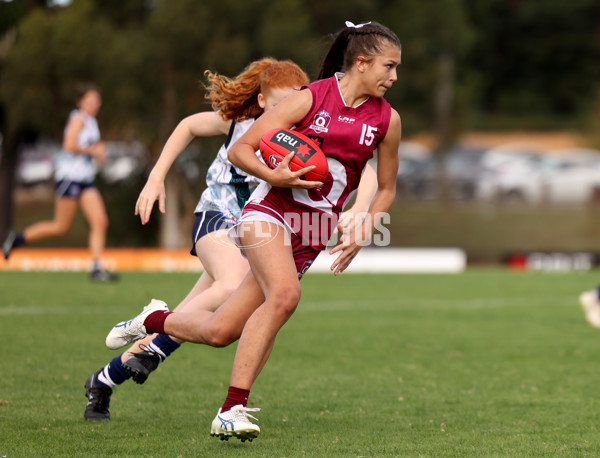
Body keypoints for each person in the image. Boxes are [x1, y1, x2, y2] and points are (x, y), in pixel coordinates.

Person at [104, 20, 401, 442]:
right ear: (362, 62)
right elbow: (242, 148)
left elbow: (387, 186)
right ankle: (230, 410)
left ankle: (152, 318)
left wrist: (365, 222)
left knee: (219, 331)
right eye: (389, 67)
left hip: (312, 232)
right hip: (268, 211)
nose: (394, 77)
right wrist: (274, 177)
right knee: (285, 295)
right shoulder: (309, 100)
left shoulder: (387, 121)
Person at [83, 58, 311, 420]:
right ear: (264, 101)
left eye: (297, 102)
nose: (290, 111)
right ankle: (155, 345)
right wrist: (156, 177)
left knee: (186, 317)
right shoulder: (241, 123)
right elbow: (188, 125)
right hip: (217, 215)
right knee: (231, 284)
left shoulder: (305, 134)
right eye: (280, 103)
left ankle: (104, 380)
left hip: (255, 234)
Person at [2, 84, 118, 282]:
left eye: (96, 101)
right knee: (60, 226)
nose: (93, 105)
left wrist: (97, 155)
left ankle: (97, 269)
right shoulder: (79, 118)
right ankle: (17, 238)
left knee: (100, 221)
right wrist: (93, 151)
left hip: (85, 179)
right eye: (89, 101)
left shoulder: (91, 121)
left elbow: (87, 147)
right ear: (80, 102)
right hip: (69, 177)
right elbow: (69, 145)